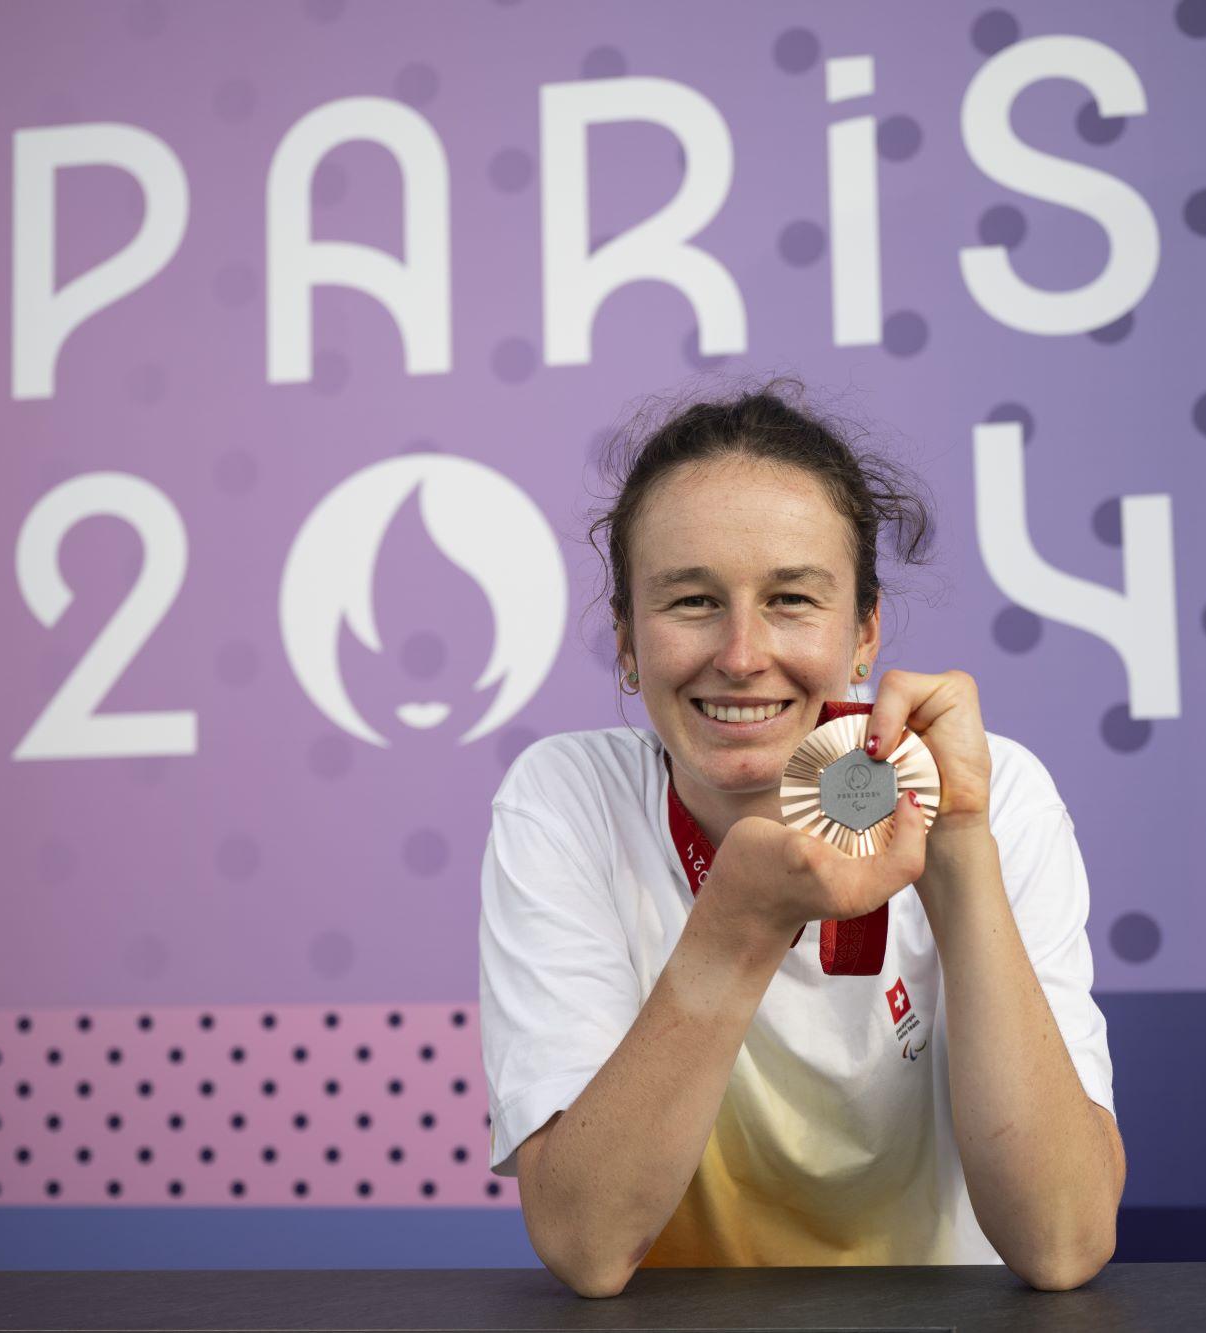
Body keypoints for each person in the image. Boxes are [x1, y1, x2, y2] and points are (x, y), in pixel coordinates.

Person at [478, 377, 1125, 1297]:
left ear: (864, 634)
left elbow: (1063, 1241)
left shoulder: (991, 791)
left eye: (791, 599)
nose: (742, 654)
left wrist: (962, 846)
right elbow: (587, 1244)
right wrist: (735, 929)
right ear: (626, 639)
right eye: (692, 601)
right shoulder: (567, 801)